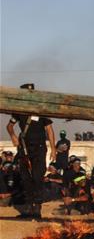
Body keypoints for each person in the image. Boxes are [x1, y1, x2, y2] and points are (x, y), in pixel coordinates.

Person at [6, 84, 55, 218]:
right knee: (25, 177)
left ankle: (37, 208)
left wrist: (54, 149)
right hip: (24, 148)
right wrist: (13, 137)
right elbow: (9, 126)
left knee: (38, 177)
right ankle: (29, 207)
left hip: (39, 148)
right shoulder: (19, 110)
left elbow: (49, 130)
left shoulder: (41, 109)